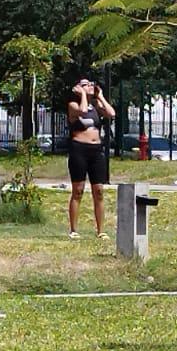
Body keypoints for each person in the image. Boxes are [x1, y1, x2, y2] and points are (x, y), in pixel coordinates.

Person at [66, 77, 115, 240]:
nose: (90, 87)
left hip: (96, 150)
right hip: (79, 149)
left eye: (91, 84)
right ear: (77, 88)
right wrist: (83, 95)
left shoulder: (95, 106)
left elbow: (111, 113)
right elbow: (82, 111)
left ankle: (100, 230)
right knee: (78, 190)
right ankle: (73, 229)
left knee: (99, 191)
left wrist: (99, 96)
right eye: (85, 85)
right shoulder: (73, 105)